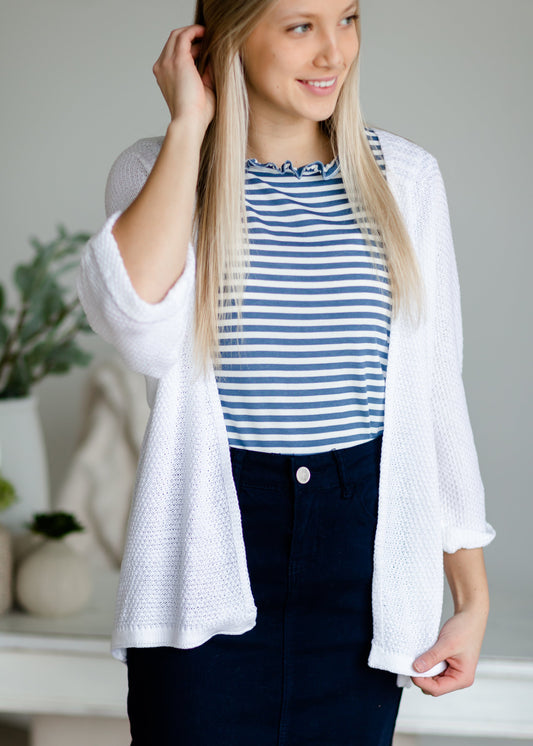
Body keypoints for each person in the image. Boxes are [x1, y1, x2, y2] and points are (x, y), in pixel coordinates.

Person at [76, 0, 496, 743]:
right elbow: (140, 334)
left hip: (360, 556)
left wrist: (469, 599)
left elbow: (435, 393)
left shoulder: (405, 178)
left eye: (348, 18)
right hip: (213, 538)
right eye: (301, 26)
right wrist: (187, 127)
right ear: (227, 36)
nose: (333, 53)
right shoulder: (156, 170)